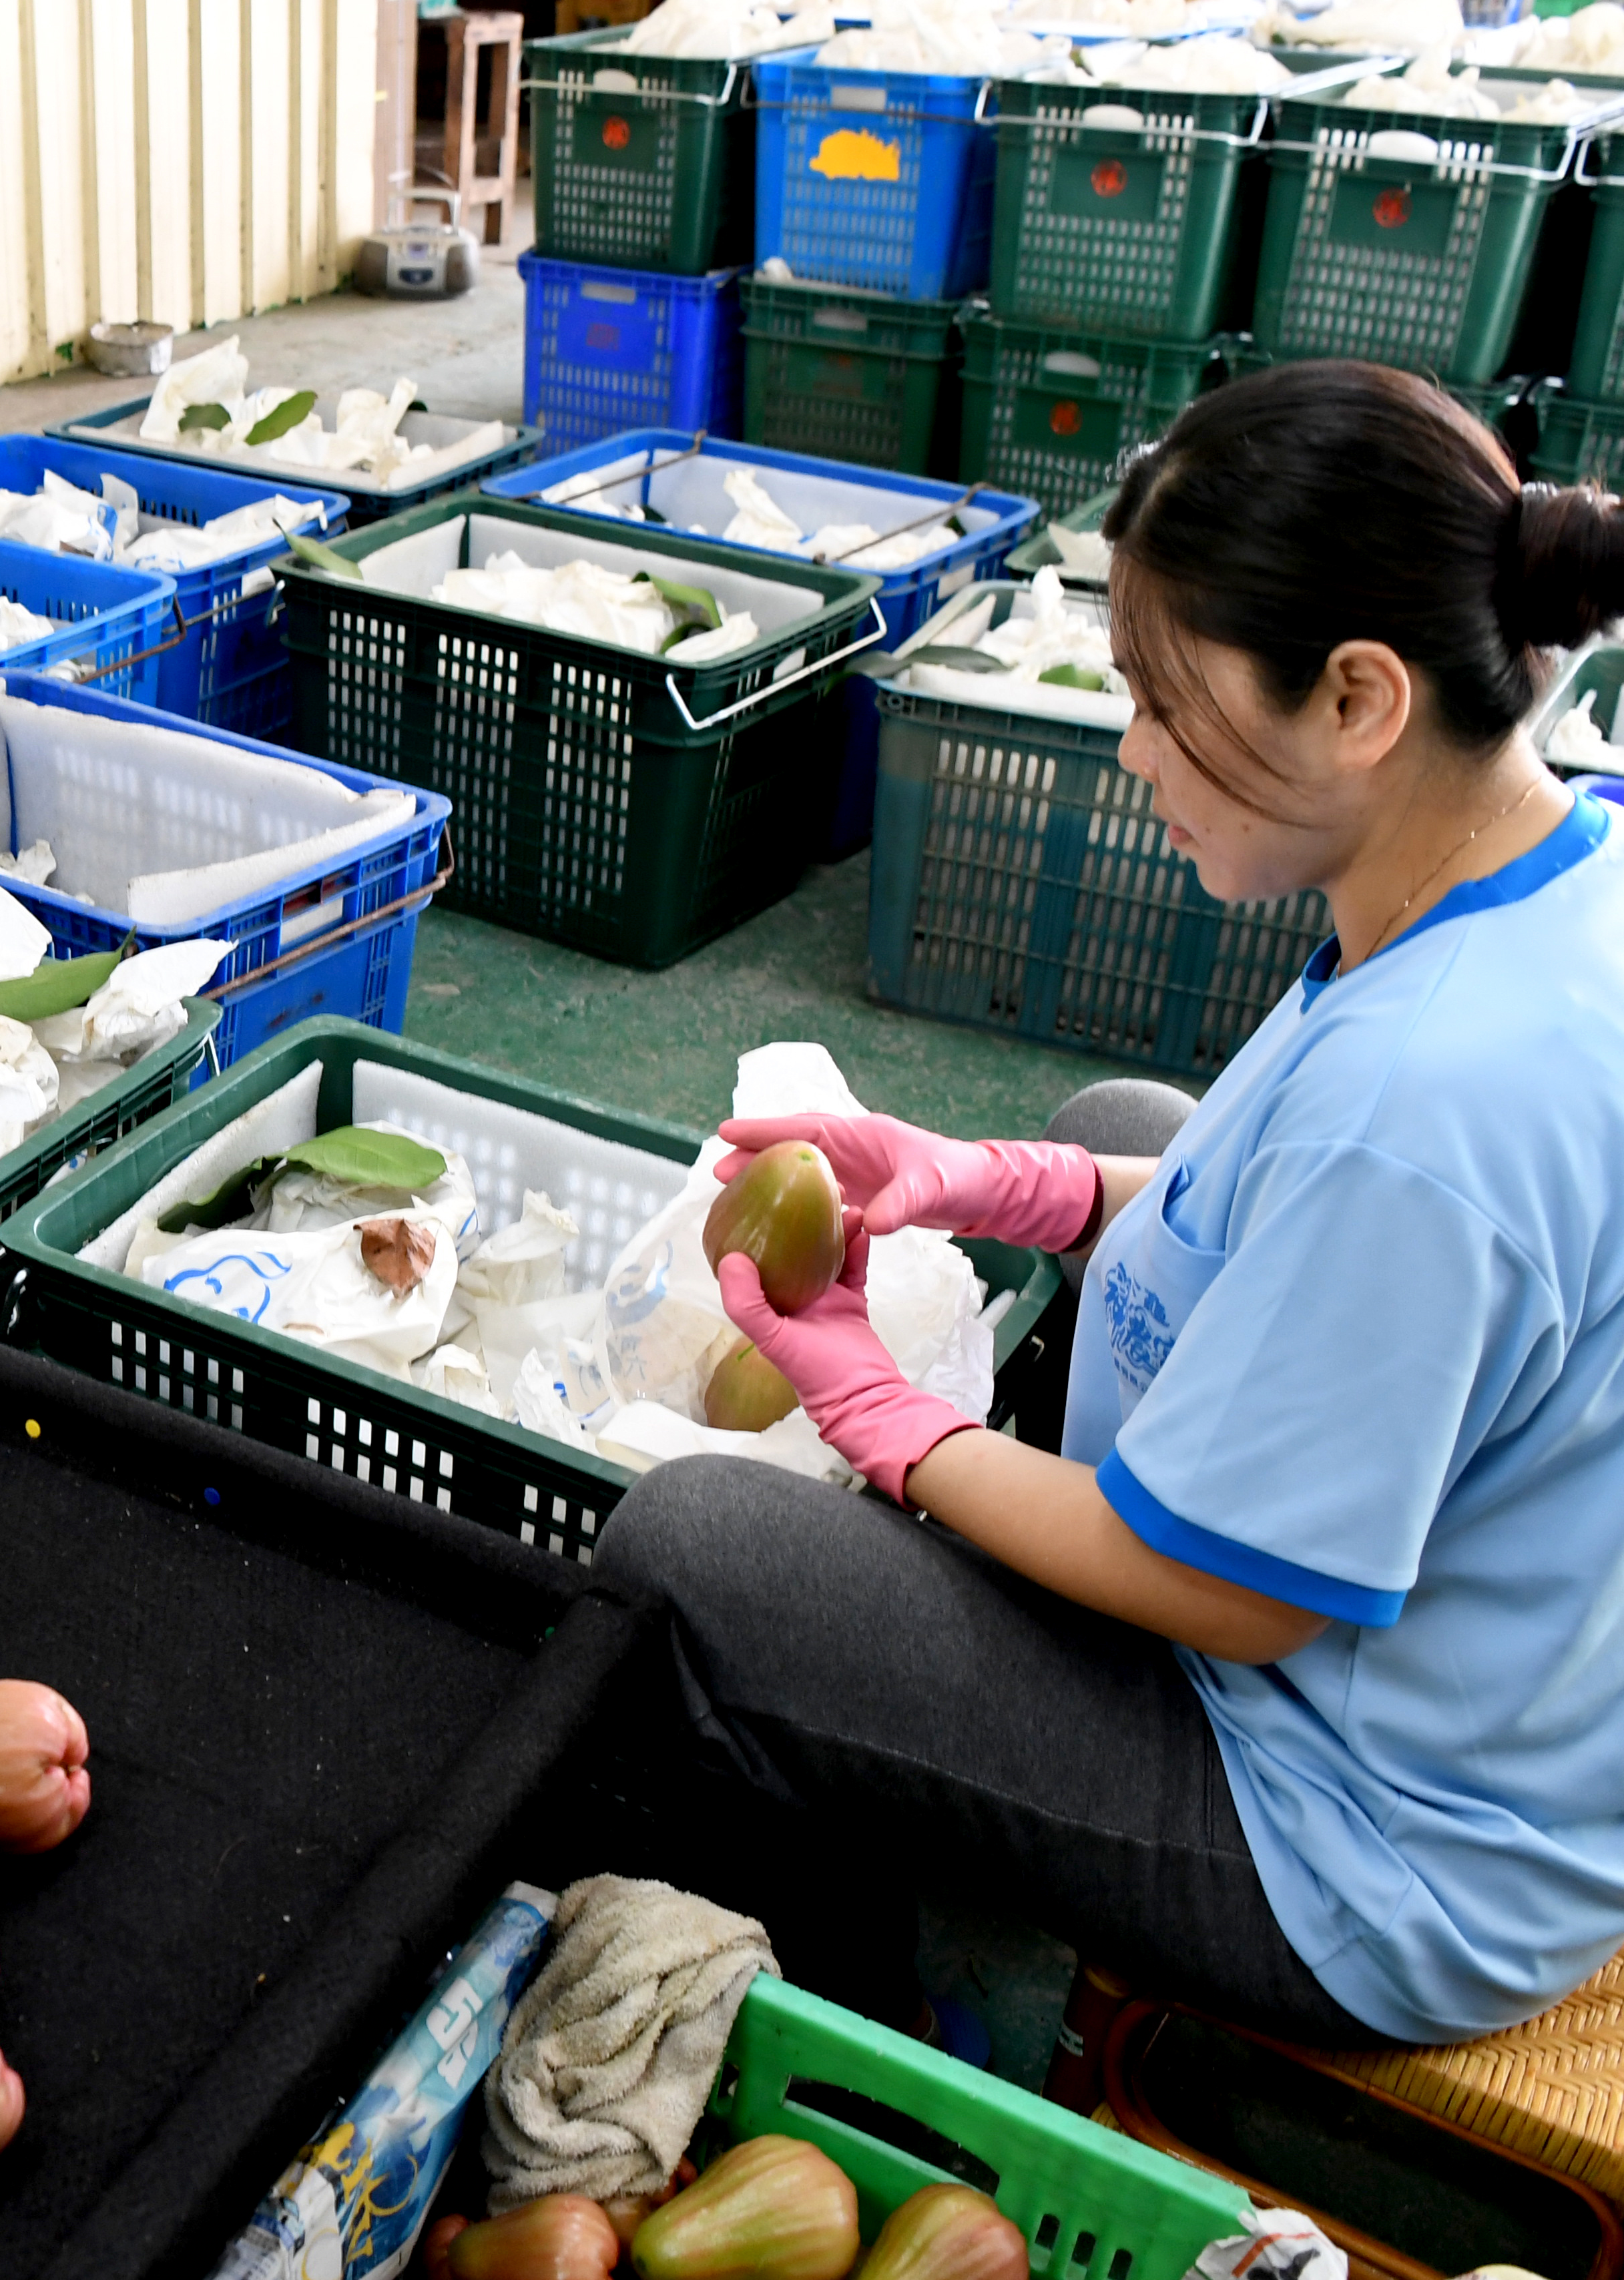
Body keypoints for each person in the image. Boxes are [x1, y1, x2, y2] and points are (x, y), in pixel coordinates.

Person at [596, 360, 1624, 2050]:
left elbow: (1231, 1589)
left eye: (1164, 696)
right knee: (1119, 1124)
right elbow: (1300, 1199)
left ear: (1361, 698)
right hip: (1493, 1700)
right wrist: (1008, 1182)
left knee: (695, 1547)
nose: (1136, 744)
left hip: (1362, 1846)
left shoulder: (1429, 1103)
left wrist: (887, 1416)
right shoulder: (1529, 882)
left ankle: (866, 2025)